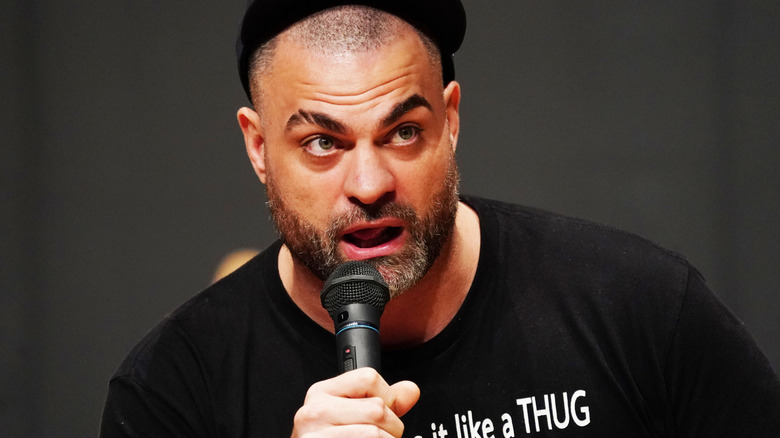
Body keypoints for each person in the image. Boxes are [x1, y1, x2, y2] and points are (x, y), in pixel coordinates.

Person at [100, 1, 780, 436]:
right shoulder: (175, 391)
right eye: (322, 144)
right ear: (258, 147)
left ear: (450, 120)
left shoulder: (638, 308)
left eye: (402, 132)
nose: (368, 185)